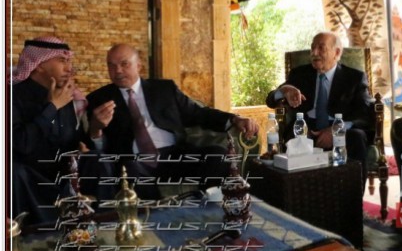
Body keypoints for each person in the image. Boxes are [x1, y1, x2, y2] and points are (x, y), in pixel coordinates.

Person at [87, 43, 259, 199]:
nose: (117, 70)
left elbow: (198, 113)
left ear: (138, 65)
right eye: (111, 65)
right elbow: (92, 146)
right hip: (135, 161)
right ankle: (155, 217)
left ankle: (212, 207)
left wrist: (235, 119)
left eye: (124, 64)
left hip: (175, 155)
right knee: (130, 169)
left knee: (218, 156)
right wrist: (96, 129)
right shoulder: (98, 99)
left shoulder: (164, 89)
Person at [11, 36, 104, 224]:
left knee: (98, 160)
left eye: (69, 61)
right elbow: (21, 144)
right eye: (62, 61)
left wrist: (95, 129)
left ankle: (105, 221)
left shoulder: (65, 94)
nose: (69, 68)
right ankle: (34, 232)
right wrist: (52, 107)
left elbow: (73, 140)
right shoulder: (12, 96)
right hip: (31, 176)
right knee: (14, 172)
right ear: (39, 65)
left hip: (63, 171)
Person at [265, 31, 374, 190]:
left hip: (340, 127)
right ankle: (298, 195)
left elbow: (364, 113)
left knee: (357, 137)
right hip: (306, 126)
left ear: (337, 53)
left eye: (321, 48)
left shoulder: (354, 77)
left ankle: (353, 197)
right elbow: (270, 100)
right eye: (312, 48)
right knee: (294, 135)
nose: (314, 53)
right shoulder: (300, 74)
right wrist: (284, 91)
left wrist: (336, 130)